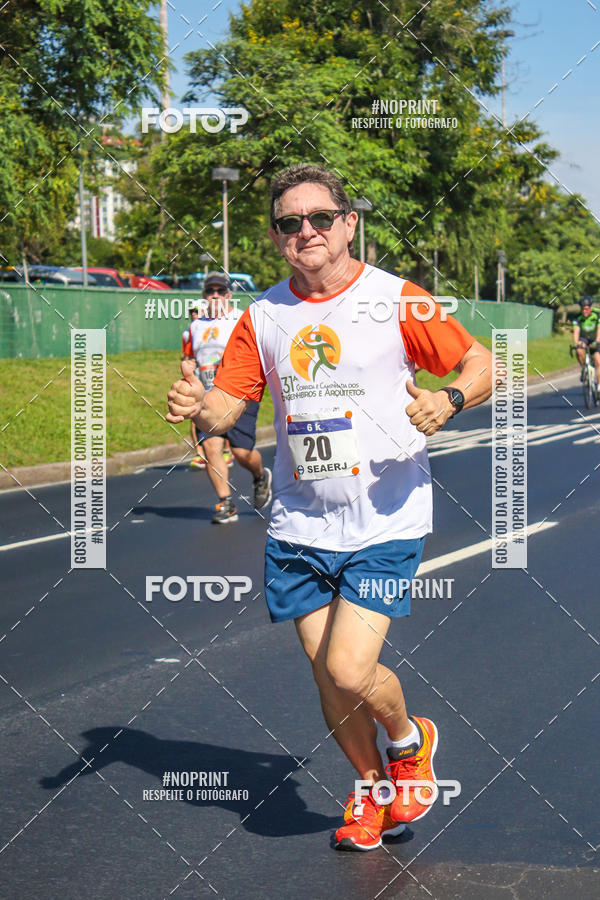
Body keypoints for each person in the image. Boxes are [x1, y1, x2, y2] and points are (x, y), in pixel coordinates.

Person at [167, 164, 492, 848]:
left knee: (350, 667)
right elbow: (232, 404)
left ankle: (409, 741)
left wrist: (448, 399)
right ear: (276, 237)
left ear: (349, 224)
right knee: (332, 681)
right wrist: (203, 408)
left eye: (320, 218)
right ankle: (372, 790)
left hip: (385, 517)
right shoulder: (264, 317)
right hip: (298, 523)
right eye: (290, 223)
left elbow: (480, 363)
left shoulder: (397, 298)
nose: (305, 232)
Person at [181, 272, 272, 523]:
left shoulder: (240, 319)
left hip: (239, 392)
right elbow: (189, 358)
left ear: (229, 295)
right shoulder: (196, 326)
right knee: (211, 447)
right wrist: (188, 375)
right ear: (204, 296)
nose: (216, 295)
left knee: (242, 453)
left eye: (221, 291)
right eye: (211, 291)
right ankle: (225, 503)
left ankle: (259, 474)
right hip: (208, 396)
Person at [573, 297, 600, 384]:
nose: (584, 311)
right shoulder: (577, 317)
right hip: (584, 338)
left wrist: (597, 341)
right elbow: (576, 332)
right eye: (582, 309)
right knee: (579, 350)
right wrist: (577, 343)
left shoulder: (597, 314)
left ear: (590, 308)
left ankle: (599, 387)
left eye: (586, 309)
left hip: (595, 338)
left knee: (598, 361)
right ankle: (584, 369)